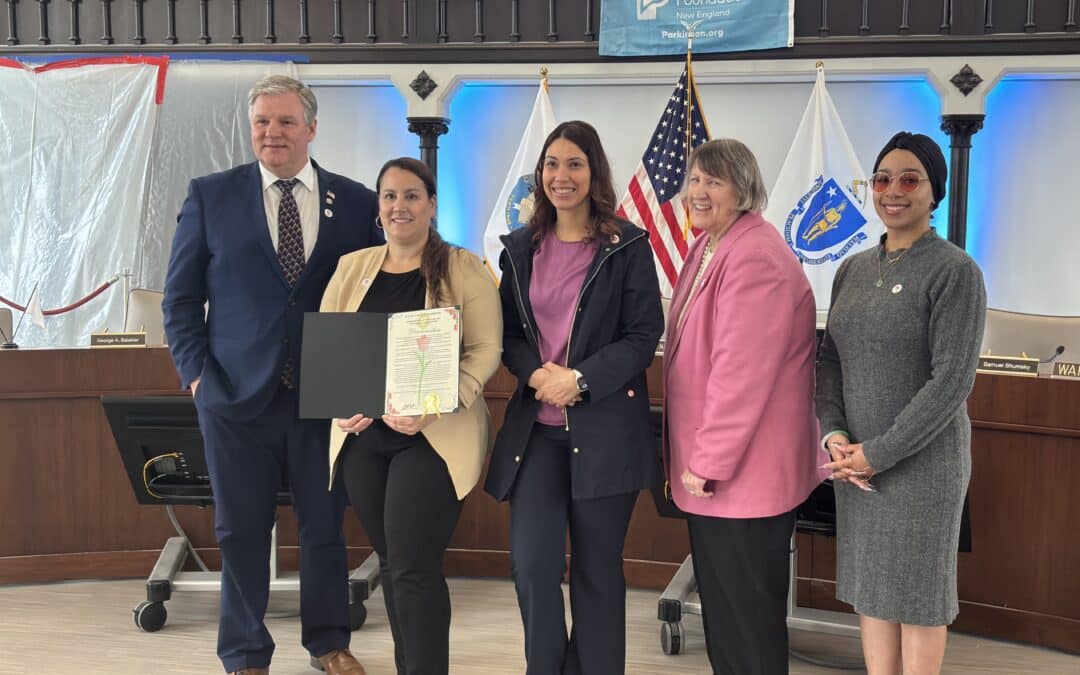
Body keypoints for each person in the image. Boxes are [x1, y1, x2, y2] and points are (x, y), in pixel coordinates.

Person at [162, 75, 381, 675]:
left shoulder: (359, 203)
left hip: (327, 397)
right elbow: (179, 300)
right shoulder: (211, 196)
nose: (272, 133)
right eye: (261, 121)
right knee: (240, 533)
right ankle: (244, 653)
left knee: (325, 527)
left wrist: (366, 382)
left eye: (285, 121)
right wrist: (198, 378)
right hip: (233, 398)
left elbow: (378, 298)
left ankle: (329, 644)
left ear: (311, 127)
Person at [484, 120, 664, 675]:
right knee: (533, 566)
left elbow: (642, 335)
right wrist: (537, 375)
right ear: (540, 176)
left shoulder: (627, 244)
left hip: (605, 431)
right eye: (552, 165)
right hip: (536, 433)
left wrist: (579, 380)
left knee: (596, 571)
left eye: (574, 164)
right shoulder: (518, 248)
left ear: (594, 172)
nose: (562, 176)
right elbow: (508, 333)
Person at [321, 157, 502, 675]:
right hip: (363, 439)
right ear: (378, 207)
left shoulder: (463, 268)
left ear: (431, 205)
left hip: (433, 438)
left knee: (414, 567)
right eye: (389, 196)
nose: (399, 206)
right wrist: (339, 401)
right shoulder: (352, 267)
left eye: (411, 196)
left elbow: (486, 349)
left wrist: (438, 404)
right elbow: (332, 349)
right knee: (395, 563)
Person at [817, 131, 987, 675]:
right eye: (882, 179)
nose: (893, 190)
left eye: (909, 179)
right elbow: (829, 360)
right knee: (871, 592)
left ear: (933, 191)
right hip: (856, 465)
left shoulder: (955, 271)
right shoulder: (852, 268)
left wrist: (878, 453)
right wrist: (835, 436)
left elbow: (951, 382)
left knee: (916, 599)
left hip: (921, 467)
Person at [662, 138, 824, 675]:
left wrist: (708, 460)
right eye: (695, 179)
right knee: (727, 621)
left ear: (744, 190)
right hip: (726, 479)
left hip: (742, 476)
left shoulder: (755, 256)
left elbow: (741, 375)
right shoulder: (712, 245)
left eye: (715, 181)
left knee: (747, 625)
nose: (699, 191)